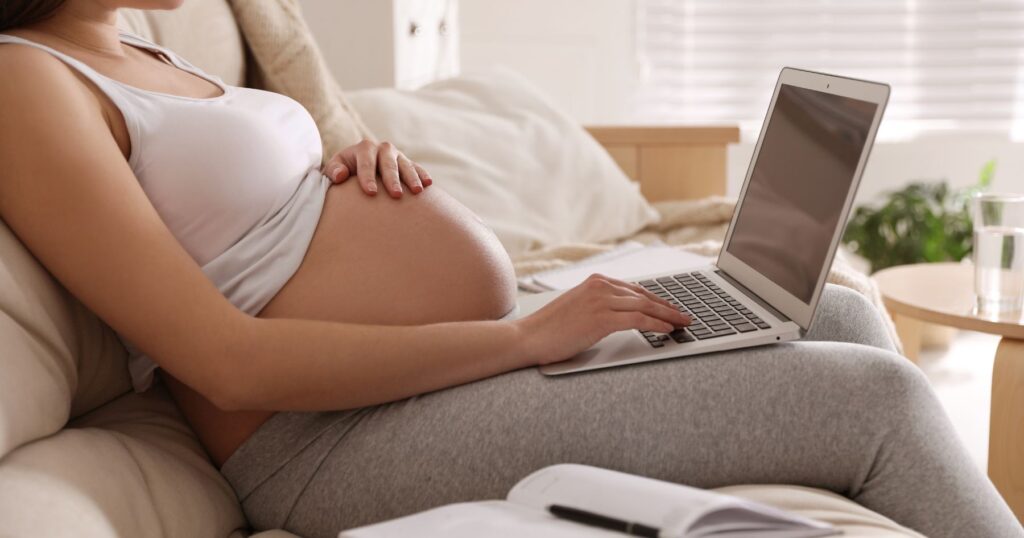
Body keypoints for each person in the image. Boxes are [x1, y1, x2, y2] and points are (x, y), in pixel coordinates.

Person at [0, 1, 1019, 537]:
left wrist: (339, 163)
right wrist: (529, 334)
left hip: (435, 380)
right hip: (323, 446)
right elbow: (228, 359)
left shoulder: (149, 50)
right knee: (878, 398)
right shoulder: (25, 79)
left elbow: (237, 216)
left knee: (837, 318)